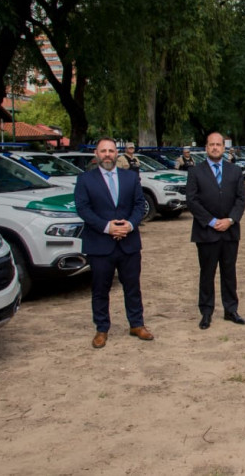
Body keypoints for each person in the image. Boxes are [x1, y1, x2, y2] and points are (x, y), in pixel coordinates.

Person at [74, 137, 153, 348]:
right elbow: (83, 209)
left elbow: (139, 204)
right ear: (96, 154)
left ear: (116, 154)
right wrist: (108, 227)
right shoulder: (85, 180)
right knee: (100, 289)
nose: (107, 154)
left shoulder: (130, 177)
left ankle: (137, 324)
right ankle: (102, 329)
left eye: (111, 151)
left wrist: (130, 225)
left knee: (133, 286)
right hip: (100, 243)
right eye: (103, 151)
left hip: (129, 242)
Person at [187, 131, 245, 330]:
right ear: (206, 148)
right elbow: (192, 200)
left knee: (229, 272)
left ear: (224, 147)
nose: (215, 147)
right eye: (211, 144)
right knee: (207, 273)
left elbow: (241, 199)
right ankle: (206, 312)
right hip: (207, 231)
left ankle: (231, 309)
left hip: (230, 231)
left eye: (218, 144)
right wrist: (212, 221)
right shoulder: (196, 171)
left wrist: (230, 220)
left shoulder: (235, 171)